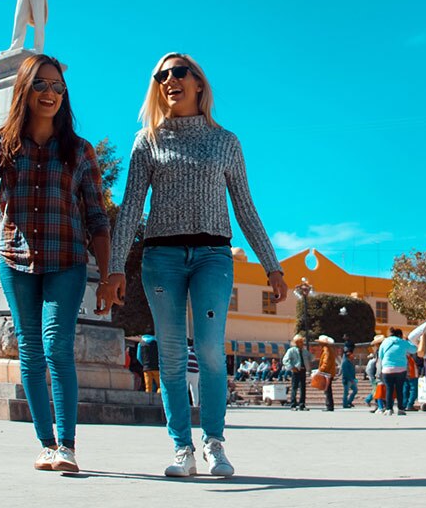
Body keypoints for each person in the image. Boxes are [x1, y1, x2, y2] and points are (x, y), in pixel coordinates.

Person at [104, 53, 289, 480]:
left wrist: (272, 266)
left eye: (178, 72)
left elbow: (244, 207)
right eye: (161, 75)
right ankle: (181, 447)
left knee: (208, 349)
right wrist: (115, 267)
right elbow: (131, 207)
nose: (169, 79)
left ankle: (215, 442)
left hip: (213, 257)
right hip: (161, 258)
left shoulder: (226, 142)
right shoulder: (146, 141)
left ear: (199, 83)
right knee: (170, 355)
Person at [0, 53, 112, 474]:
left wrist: (109, 275)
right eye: (41, 85)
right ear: (24, 89)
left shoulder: (79, 151)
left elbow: (96, 218)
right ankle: (46, 443)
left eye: (58, 87)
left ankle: (68, 446)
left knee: (56, 347)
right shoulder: (3, 142)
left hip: (67, 261)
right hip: (15, 260)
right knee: (31, 351)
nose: (50, 93)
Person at [377, 328, 412, 415]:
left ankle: (389, 409)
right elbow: (414, 349)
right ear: (400, 335)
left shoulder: (385, 342)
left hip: (387, 369)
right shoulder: (403, 342)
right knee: (400, 389)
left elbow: (380, 355)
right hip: (401, 369)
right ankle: (400, 409)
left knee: (389, 389)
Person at [283, 334, 310, 411]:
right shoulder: (291, 350)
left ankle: (302, 405)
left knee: (303, 388)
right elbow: (285, 360)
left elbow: (311, 357)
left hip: (303, 370)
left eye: (302, 342)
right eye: (301, 342)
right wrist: (291, 367)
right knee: (294, 387)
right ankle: (293, 404)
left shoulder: (304, 351)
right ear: (297, 343)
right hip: (296, 371)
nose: (302, 343)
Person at [315, 335, 338, 411]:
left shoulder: (326, 350)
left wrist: (321, 370)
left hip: (327, 373)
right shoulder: (328, 349)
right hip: (329, 373)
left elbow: (326, 362)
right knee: (328, 389)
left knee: (327, 390)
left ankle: (329, 405)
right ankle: (329, 405)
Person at [340, 342, 358, 408]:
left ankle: (349, 401)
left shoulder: (351, 362)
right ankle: (345, 404)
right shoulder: (345, 362)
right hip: (347, 380)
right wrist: (351, 379)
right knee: (346, 392)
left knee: (355, 390)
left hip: (352, 379)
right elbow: (345, 372)